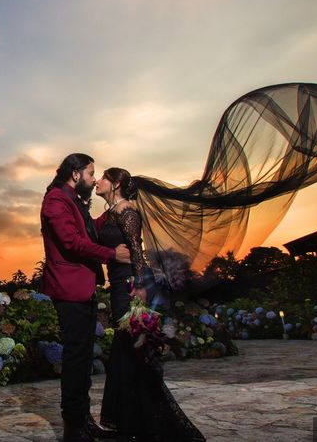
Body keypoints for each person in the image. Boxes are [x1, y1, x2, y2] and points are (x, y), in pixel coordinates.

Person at [95, 167, 205, 442]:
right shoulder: (111, 212)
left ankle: (151, 423)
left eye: (103, 177)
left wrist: (141, 288)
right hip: (118, 285)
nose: (98, 181)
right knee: (124, 351)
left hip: (130, 287)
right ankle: (130, 421)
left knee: (133, 351)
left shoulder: (127, 212)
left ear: (116, 183)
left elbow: (136, 252)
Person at [40, 153, 131, 442]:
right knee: (76, 359)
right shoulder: (56, 200)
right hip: (69, 289)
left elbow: (89, 229)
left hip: (83, 288)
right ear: (76, 174)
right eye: (91, 174)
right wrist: (111, 254)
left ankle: (84, 421)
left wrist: (116, 208)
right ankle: (74, 428)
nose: (94, 180)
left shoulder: (74, 202)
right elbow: (71, 241)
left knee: (82, 358)